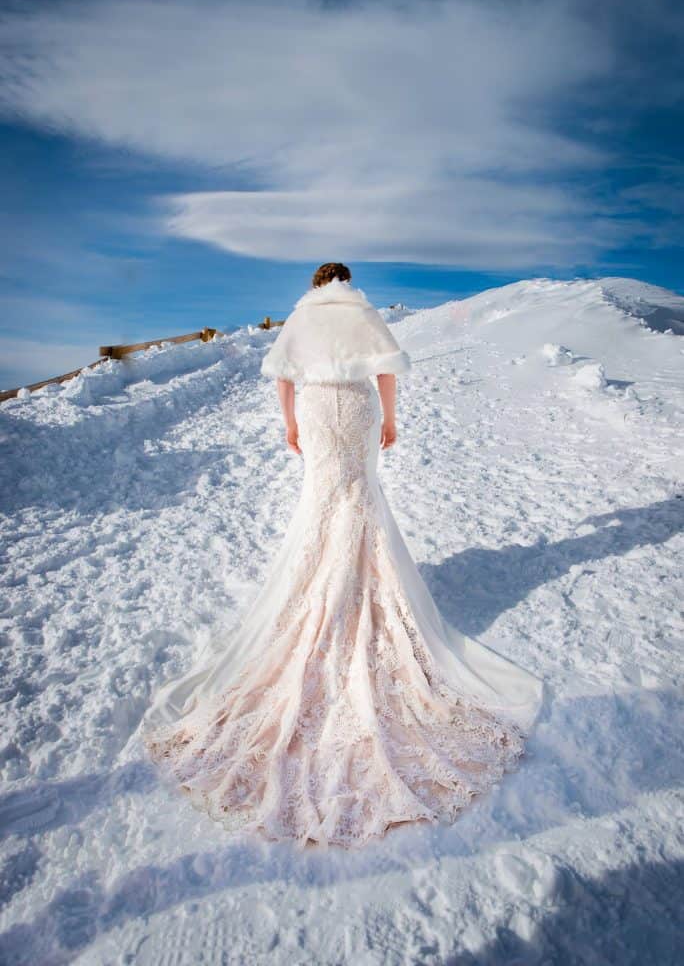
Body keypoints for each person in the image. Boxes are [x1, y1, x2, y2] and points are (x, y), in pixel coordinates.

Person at [141, 262, 544, 849]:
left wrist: (289, 424)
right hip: (354, 409)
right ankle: (359, 584)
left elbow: (282, 376)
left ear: (313, 284)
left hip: (316, 410)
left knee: (322, 499)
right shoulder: (361, 312)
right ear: (348, 282)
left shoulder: (304, 317)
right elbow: (385, 370)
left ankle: (320, 586)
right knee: (360, 496)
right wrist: (390, 418)